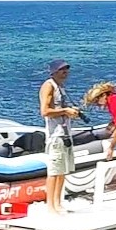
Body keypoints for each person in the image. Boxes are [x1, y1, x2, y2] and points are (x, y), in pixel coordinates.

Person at [40, 59, 82, 211]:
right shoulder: (49, 86)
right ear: (53, 72)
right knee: (54, 171)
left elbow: (61, 108)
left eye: (66, 69)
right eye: (61, 70)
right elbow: (45, 111)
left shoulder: (61, 87)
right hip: (56, 135)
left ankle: (58, 203)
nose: (65, 72)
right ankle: (51, 206)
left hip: (66, 134)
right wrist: (65, 111)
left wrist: (71, 112)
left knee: (63, 171)